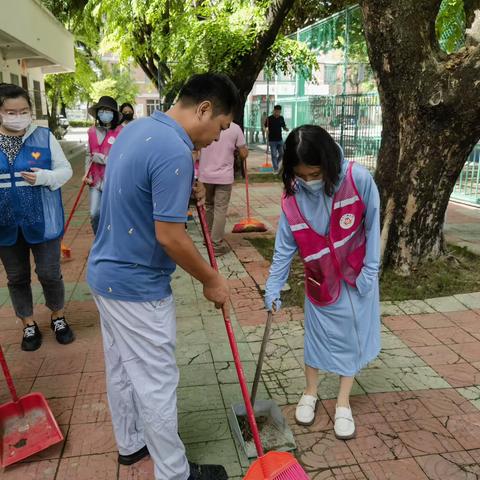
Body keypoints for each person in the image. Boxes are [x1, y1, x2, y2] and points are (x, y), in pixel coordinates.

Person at [87, 73, 238, 480]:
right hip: (137, 286)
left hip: (105, 275)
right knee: (156, 382)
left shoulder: (136, 129)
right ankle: (174, 472)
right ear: (204, 109)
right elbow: (169, 237)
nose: (215, 139)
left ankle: (131, 444)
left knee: (121, 367)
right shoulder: (174, 150)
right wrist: (211, 279)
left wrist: (176, 194)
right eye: (220, 127)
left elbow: (137, 192)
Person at [264, 125, 380, 440]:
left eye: (315, 173)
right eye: (302, 175)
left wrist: (371, 269)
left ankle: (343, 402)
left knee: (351, 337)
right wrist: (274, 284)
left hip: (355, 276)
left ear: (327, 163)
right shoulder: (292, 193)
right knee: (316, 337)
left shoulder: (358, 179)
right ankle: (311, 391)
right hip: (320, 278)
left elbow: (372, 224)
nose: (309, 181)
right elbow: (285, 246)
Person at [0, 83, 75, 351]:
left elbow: (65, 170)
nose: (18, 116)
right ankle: (28, 324)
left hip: (43, 221)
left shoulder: (43, 136)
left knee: (49, 273)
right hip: (5, 226)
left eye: (23, 111)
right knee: (16, 277)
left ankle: (58, 316)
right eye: (11, 111)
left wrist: (45, 177)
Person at [198, 122, 248, 256]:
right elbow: (243, 154)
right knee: (220, 209)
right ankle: (215, 245)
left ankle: (207, 239)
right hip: (223, 176)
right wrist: (240, 151)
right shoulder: (235, 128)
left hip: (205, 174)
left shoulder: (205, 125)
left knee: (209, 206)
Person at [84, 96, 122, 234]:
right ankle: (99, 239)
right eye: (102, 110)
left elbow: (120, 158)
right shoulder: (92, 131)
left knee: (112, 214)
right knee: (94, 213)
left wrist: (100, 158)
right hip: (95, 180)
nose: (104, 113)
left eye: (108, 110)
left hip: (112, 181)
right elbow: (88, 155)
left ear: (114, 114)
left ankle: (111, 241)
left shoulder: (120, 132)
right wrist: (85, 174)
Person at [264, 105, 288, 173]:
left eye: (279, 112)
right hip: (272, 140)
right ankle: (275, 168)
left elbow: (283, 126)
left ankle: (276, 164)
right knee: (274, 155)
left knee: (282, 154)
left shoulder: (281, 118)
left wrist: (285, 129)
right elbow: (265, 126)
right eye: (276, 111)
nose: (278, 113)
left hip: (280, 140)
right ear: (274, 111)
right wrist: (266, 130)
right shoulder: (269, 118)